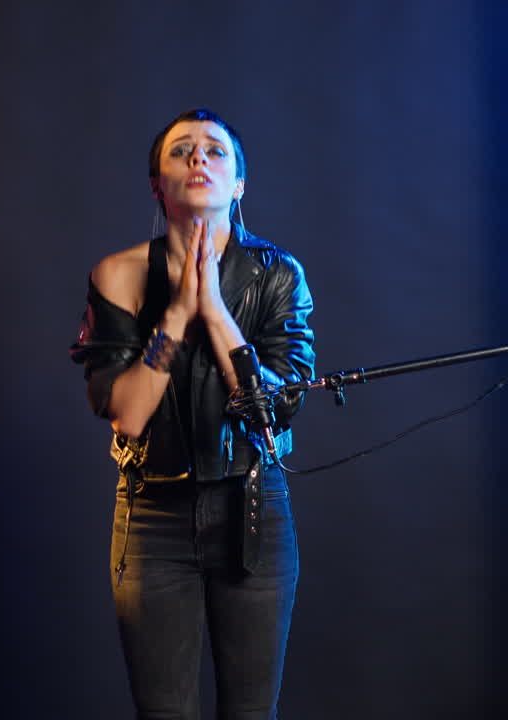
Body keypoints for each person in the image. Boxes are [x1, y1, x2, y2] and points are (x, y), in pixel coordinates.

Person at [70, 108, 316, 719]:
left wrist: (215, 311)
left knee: (250, 712)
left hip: (253, 510)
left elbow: (268, 417)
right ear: (157, 183)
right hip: (152, 516)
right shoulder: (119, 274)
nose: (198, 159)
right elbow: (127, 415)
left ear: (238, 184)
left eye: (214, 151)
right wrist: (177, 313)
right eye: (181, 151)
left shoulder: (277, 274)